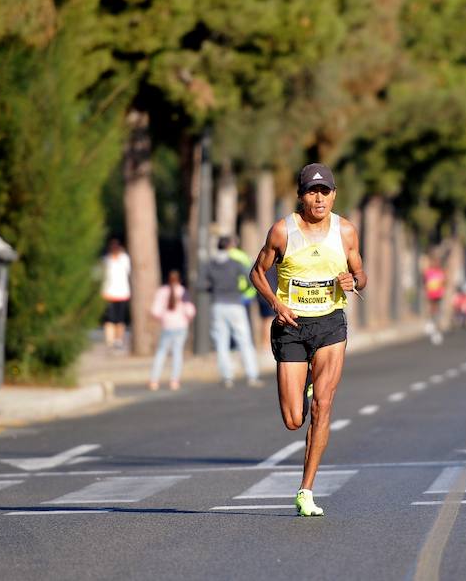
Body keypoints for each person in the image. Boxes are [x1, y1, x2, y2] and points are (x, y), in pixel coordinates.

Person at [250, 162, 367, 517]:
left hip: (330, 324)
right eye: (312, 192)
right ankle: (307, 384)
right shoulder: (282, 232)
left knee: (323, 408)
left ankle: (306, 489)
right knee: (292, 418)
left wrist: (354, 281)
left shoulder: (345, 231)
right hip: (292, 326)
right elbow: (256, 272)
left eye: (325, 192)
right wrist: (275, 303)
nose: (319, 199)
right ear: (301, 196)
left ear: (334, 195)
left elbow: (359, 273)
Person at [201, 236, 263, 388]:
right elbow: (250, 279)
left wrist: (213, 288)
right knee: (244, 340)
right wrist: (244, 292)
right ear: (229, 246)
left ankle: (227, 376)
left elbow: (201, 283)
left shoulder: (210, 264)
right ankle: (252, 375)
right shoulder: (235, 263)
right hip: (235, 303)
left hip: (217, 304)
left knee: (221, 342)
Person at [149, 271, 195, 391]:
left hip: (167, 326)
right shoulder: (182, 291)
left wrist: (162, 318)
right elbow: (189, 311)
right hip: (180, 326)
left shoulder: (162, 291)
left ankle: (154, 380)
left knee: (161, 352)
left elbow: (155, 311)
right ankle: (174, 380)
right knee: (177, 353)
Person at [101, 239, 131, 352]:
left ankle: (119, 339)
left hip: (122, 293)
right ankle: (110, 340)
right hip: (108, 293)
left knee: (119, 319)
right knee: (109, 319)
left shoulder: (124, 259)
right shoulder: (106, 260)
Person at [423, 256, 446, 344]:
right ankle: (430, 322)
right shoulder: (428, 272)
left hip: (438, 294)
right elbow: (425, 282)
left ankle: (436, 326)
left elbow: (443, 282)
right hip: (431, 294)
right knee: (431, 308)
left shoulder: (440, 272)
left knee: (437, 309)